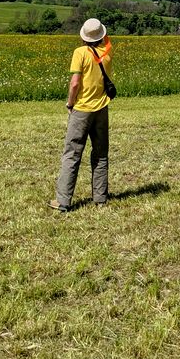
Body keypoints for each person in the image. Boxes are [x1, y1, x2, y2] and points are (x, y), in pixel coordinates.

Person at [48, 17, 113, 213]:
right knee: (100, 154)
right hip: (102, 108)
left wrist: (70, 103)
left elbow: (75, 83)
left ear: (83, 36)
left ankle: (63, 201)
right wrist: (102, 35)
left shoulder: (80, 52)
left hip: (82, 109)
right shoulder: (107, 54)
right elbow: (107, 41)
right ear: (101, 35)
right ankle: (100, 198)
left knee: (72, 154)